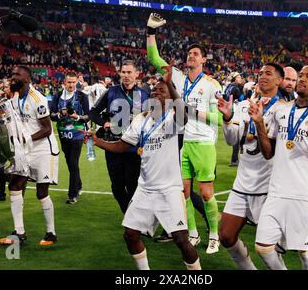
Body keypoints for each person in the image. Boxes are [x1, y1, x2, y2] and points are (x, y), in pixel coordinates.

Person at [91, 68, 201, 270]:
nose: (155, 93)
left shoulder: (172, 118)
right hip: (145, 189)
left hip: (169, 189)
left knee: (181, 239)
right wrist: (99, 142)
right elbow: (123, 145)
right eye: (154, 90)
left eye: (161, 90)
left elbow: (184, 115)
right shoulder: (141, 119)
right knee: (130, 235)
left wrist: (171, 87)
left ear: (169, 97)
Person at [249, 65, 308, 270]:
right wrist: (260, 124)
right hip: (277, 191)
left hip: (307, 194)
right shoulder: (282, 109)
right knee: (263, 247)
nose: (301, 79)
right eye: (300, 76)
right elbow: (268, 152)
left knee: (307, 254)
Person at [147, 13, 223, 254]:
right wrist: (151, 32)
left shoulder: (212, 84)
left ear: (203, 60)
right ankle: (193, 233)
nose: (191, 56)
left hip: (203, 142)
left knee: (206, 192)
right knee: (184, 192)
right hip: (183, 142)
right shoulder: (177, 77)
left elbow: (219, 118)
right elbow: (153, 57)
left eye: (195, 54)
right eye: (189, 53)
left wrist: (193, 111)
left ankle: (214, 235)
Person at [217, 63, 284, 270]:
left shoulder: (282, 109)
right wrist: (228, 118)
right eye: (261, 72)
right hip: (242, 183)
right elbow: (231, 140)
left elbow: (270, 152)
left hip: (268, 186)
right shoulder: (243, 105)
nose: (263, 76)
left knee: (268, 247)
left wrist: (260, 121)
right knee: (226, 236)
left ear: (279, 81)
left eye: (269, 73)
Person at [0, 66, 59, 247]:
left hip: (43, 150)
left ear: (27, 79)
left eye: (17, 75)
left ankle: (51, 233)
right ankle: (19, 232)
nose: (12, 77)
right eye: (12, 74)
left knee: (42, 193)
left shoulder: (37, 98)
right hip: (26, 149)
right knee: (15, 184)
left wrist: (27, 139)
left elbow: (47, 129)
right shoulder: (16, 98)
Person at [89, 61, 148, 213]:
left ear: (137, 74)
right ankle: (129, 215)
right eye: (123, 72)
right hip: (113, 147)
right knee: (117, 187)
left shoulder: (144, 94)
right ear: (120, 73)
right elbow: (93, 112)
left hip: (134, 149)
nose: (126, 76)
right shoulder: (111, 92)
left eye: (129, 72)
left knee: (133, 186)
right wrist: (104, 123)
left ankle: (133, 221)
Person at [50, 72, 90, 204]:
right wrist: (61, 115)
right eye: (69, 82)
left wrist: (77, 117)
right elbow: (51, 115)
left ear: (76, 83)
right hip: (63, 134)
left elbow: (88, 116)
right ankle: (78, 185)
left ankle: (72, 195)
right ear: (64, 83)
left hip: (77, 134)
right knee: (70, 163)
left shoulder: (82, 96)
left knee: (73, 163)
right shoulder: (57, 96)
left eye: (74, 82)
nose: (72, 85)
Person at [223, 71, 245, 167]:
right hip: (235, 112)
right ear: (234, 79)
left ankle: (235, 159)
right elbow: (242, 99)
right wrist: (246, 91)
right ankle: (235, 159)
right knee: (239, 136)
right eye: (239, 77)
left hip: (229, 112)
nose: (240, 78)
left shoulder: (228, 87)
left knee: (236, 136)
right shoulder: (235, 88)